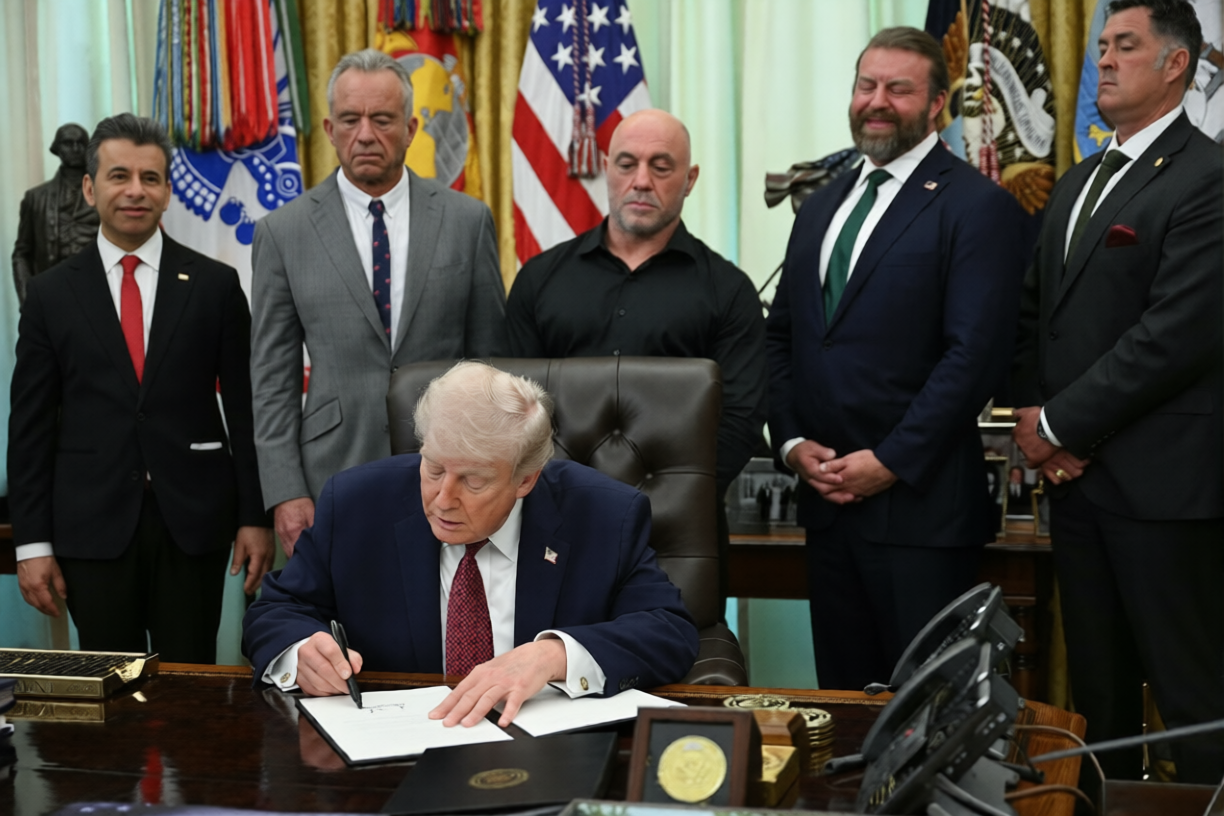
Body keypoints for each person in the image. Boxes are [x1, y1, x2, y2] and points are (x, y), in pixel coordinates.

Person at [765, 27, 1028, 690]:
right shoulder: (821, 204)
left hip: (921, 515)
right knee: (847, 710)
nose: (876, 102)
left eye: (898, 89)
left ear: (937, 104)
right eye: (866, 86)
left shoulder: (979, 207)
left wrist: (888, 462)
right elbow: (783, 339)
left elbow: (973, 357)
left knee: (927, 719)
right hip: (826, 507)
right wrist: (793, 440)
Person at [243, 361, 698, 727]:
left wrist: (554, 655)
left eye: (473, 481)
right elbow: (275, 611)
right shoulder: (358, 503)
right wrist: (299, 650)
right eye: (434, 469)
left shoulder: (604, 515)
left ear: (526, 479)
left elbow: (669, 631)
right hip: (392, 755)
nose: (442, 499)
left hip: (544, 758)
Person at [1010, 0, 1223, 783]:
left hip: (1167, 491)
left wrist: (1060, 426)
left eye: (1124, 46)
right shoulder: (1076, 183)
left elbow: (1175, 338)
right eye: (1100, 46)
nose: (1102, 60)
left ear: (1176, 64)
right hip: (1080, 487)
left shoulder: (1208, 178)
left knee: (1192, 700)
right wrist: (1035, 422)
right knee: (1098, 703)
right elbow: (1038, 319)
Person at [8, 114, 273, 663]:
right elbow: (29, 428)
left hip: (194, 524)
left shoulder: (216, 285)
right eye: (119, 175)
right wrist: (31, 544)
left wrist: (255, 517)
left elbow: (247, 411)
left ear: (169, 191)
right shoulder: (50, 295)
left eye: (151, 178)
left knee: (193, 688)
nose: (135, 190)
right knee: (110, 703)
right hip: (90, 527)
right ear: (89, 187)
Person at [505, 109, 766, 607]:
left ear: (689, 179)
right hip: (551, 521)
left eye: (661, 166)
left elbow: (741, 420)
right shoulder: (540, 280)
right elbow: (512, 407)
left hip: (678, 536)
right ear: (607, 168)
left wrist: (667, 497)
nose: (641, 180)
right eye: (627, 163)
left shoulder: (728, 291)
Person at [251, 49, 506, 557]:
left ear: (411, 128)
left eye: (382, 119)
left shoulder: (467, 220)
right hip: (331, 474)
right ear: (328, 127)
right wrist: (286, 491)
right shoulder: (283, 232)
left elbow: (490, 363)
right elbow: (272, 379)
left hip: (451, 473)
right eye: (350, 119)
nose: (365, 134)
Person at [11, 123, 100, 302]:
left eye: (81, 143)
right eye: (68, 143)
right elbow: (21, 253)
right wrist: (27, 300)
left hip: (98, 295)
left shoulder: (107, 196)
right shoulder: (35, 198)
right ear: (57, 148)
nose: (75, 148)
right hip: (52, 297)